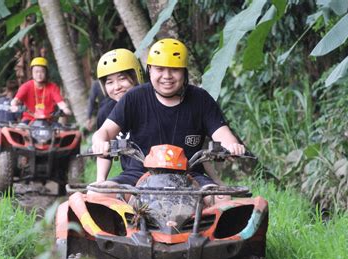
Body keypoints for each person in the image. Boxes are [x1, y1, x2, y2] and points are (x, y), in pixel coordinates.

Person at [92, 38, 245, 202]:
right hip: (138, 174)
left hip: (189, 173)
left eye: (174, 69)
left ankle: (201, 227)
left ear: (184, 71)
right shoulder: (134, 97)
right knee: (97, 194)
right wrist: (100, 141)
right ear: (149, 70)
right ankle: (123, 226)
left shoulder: (201, 99)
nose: (167, 76)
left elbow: (222, 134)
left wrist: (232, 146)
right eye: (160, 69)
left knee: (223, 199)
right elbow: (105, 131)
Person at [94, 48, 144, 183]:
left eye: (122, 79)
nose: (117, 87)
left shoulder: (152, 102)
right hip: (132, 176)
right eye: (109, 82)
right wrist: (100, 181)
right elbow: (105, 153)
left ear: (135, 77)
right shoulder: (106, 112)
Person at [10, 57, 72, 123]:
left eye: (42, 71)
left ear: (46, 73)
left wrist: (65, 108)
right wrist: (13, 105)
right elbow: (16, 100)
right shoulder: (26, 86)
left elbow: (60, 102)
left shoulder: (52, 87)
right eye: (36, 72)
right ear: (32, 73)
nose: (39, 74)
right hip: (29, 119)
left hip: (48, 121)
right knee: (19, 130)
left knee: (61, 132)